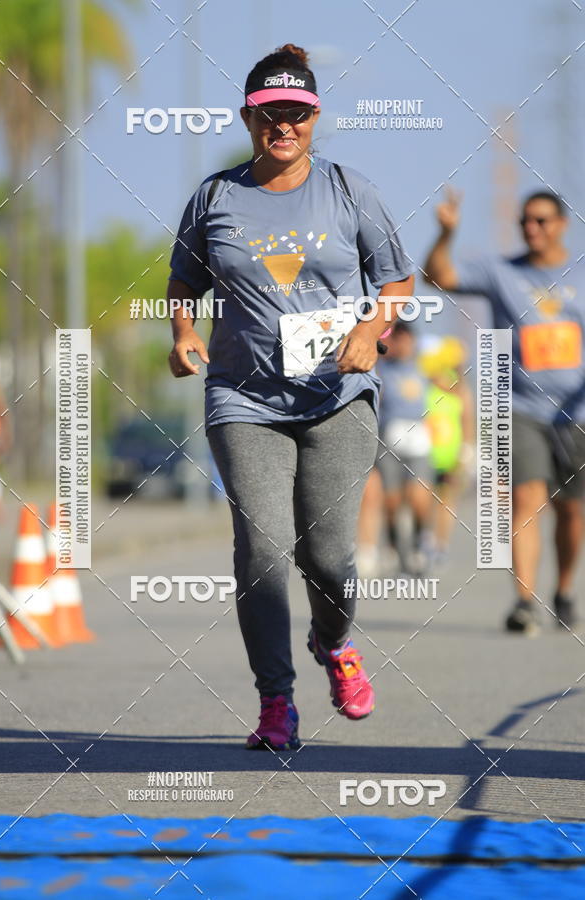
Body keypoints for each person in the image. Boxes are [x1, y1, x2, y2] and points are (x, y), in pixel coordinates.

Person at [167, 43, 414, 750]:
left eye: (297, 113)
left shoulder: (348, 190)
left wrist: (373, 325)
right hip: (244, 402)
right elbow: (184, 282)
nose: (284, 125)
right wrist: (183, 333)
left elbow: (397, 280)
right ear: (249, 117)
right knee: (264, 552)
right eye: (270, 112)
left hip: (338, 396)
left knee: (330, 557)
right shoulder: (215, 197)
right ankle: (276, 703)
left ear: (314, 118)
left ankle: (333, 644)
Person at [424, 187, 585, 634]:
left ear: (562, 225)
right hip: (519, 406)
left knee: (572, 512)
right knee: (525, 499)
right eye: (525, 222)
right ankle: (525, 601)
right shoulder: (500, 272)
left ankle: (565, 589)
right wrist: (444, 234)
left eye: (542, 221)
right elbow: (437, 276)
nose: (532, 229)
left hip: (577, 413)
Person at [373, 321, 434, 575]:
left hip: (418, 436)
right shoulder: (381, 370)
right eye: (398, 340)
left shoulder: (423, 369)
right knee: (391, 499)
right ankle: (395, 546)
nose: (403, 345)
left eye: (407, 340)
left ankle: (421, 543)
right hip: (389, 437)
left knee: (420, 495)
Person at [420, 336, 475, 570]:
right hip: (426, 450)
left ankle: (441, 545)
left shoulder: (460, 388)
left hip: (451, 452)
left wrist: (467, 450)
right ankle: (423, 539)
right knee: (423, 499)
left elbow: (467, 419)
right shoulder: (424, 383)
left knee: (447, 500)